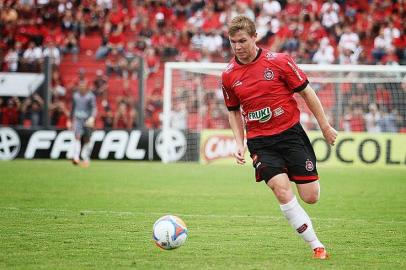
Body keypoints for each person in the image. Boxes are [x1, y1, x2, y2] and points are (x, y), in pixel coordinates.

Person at [221, 15, 337, 259]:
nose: (238, 47)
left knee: (311, 197)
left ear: (255, 37)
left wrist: (325, 126)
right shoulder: (229, 75)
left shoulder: (280, 62)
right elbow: (233, 112)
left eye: (242, 40)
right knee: (281, 189)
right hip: (261, 143)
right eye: (233, 42)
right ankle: (316, 245)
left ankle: (305, 193)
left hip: (290, 135)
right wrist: (239, 143)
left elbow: (307, 93)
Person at [67, 81, 97, 167]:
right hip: (78, 119)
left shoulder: (90, 96)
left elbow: (94, 108)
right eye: (80, 86)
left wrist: (92, 117)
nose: (81, 88)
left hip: (87, 120)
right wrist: (70, 120)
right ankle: (76, 157)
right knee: (77, 137)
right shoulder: (75, 96)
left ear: (86, 87)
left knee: (87, 139)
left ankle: (85, 157)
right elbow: (73, 108)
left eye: (83, 86)